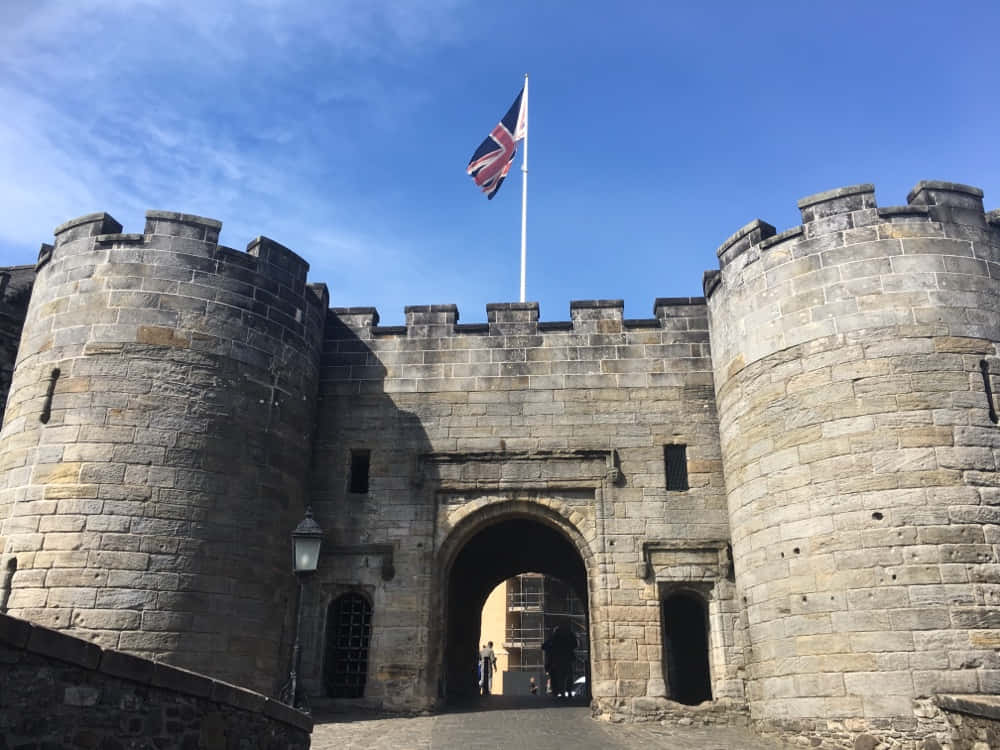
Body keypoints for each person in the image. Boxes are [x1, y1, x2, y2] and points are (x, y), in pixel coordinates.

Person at [542, 624, 577, 698]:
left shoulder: (555, 638)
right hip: (564, 660)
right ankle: (566, 691)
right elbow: (575, 644)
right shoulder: (567, 637)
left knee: (561, 676)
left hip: (558, 661)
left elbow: (544, 646)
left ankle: (563, 692)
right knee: (567, 676)